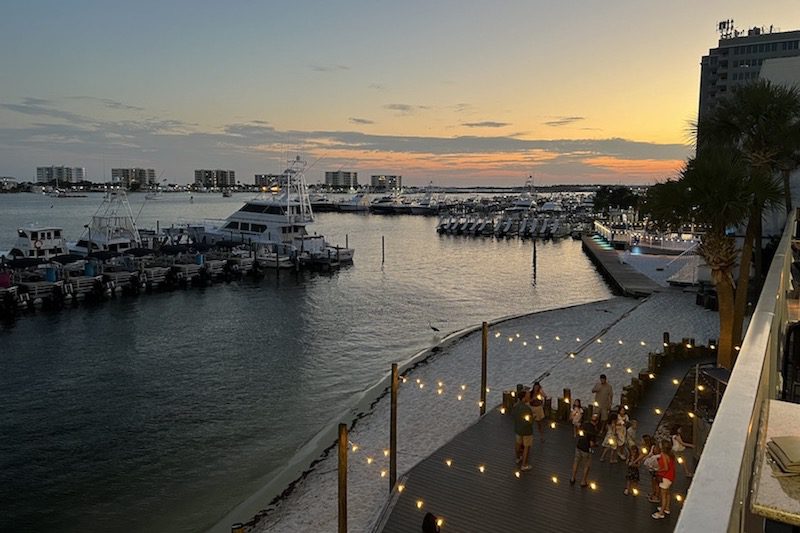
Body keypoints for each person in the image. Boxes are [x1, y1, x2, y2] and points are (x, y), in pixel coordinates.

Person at [571, 412, 600, 487]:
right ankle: (583, 481)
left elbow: (579, 431)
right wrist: (596, 444)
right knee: (587, 465)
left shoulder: (585, 424)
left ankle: (572, 478)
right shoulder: (593, 431)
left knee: (576, 462)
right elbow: (591, 444)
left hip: (579, 446)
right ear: (597, 422)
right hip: (586, 449)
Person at [652, 439, 676, 519]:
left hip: (665, 477)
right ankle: (667, 508)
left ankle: (661, 512)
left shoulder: (663, 455)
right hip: (671, 476)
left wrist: (657, 470)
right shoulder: (671, 455)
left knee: (663, 495)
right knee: (667, 493)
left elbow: (665, 468)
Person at [513, 389, 534, 471]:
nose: (529, 397)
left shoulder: (516, 406)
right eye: (528, 396)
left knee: (518, 443)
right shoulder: (526, 408)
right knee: (527, 446)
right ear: (524, 398)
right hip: (526, 430)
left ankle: (518, 458)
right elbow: (529, 421)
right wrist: (533, 417)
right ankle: (524, 465)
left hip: (518, 428)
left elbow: (513, 415)